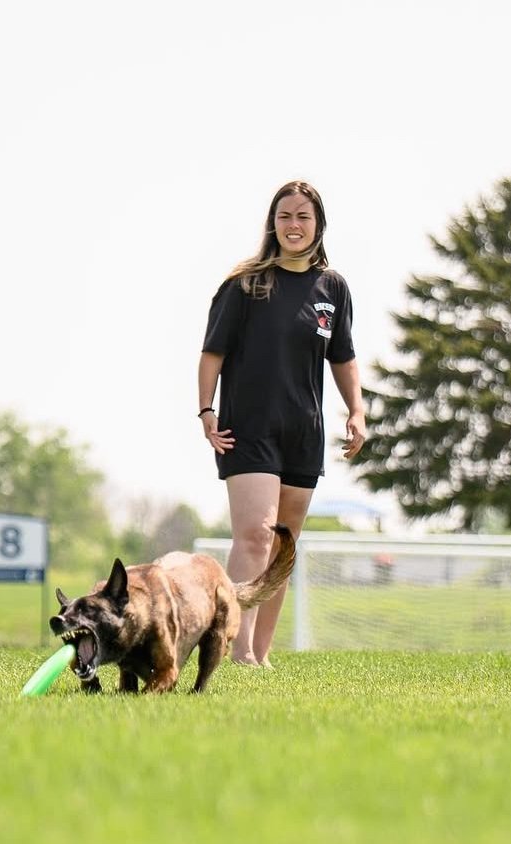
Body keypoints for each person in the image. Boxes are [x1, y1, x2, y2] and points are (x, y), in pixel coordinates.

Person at [197, 180, 365, 668]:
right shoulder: (245, 284)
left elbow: (343, 357)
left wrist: (356, 410)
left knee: (282, 547)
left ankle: (261, 654)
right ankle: (236, 650)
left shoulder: (333, 288)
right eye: (285, 216)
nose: (294, 225)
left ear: (319, 225)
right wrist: (206, 411)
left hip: (303, 433)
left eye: (303, 217)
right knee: (255, 534)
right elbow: (212, 354)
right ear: (272, 223)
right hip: (247, 429)